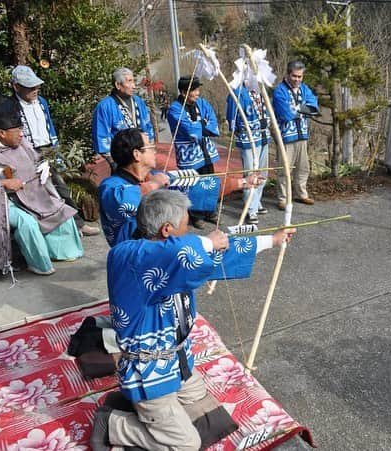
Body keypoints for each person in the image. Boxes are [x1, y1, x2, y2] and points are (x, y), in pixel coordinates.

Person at [90, 189, 295, 450]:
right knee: (186, 444)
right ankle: (114, 424)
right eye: (185, 226)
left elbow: (221, 254)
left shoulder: (175, 256)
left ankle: (136, 408)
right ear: (166, 230)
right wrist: (207, 242)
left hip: (178, 362)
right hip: (149, 374)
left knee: (211, 419)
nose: (190, 234)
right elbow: (188, 250)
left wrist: (273, 240)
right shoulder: (128, 257)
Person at [98, 128, 262, 246]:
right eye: (150, 147)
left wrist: (243, 182)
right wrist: (154, 185)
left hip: (162, 254)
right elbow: (123, 201)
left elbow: (198, 185)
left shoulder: (156, 178)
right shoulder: (111, 186)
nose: (154, 151)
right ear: (136, 154)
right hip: (132, 259)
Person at [0, 96, 83, 276]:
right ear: (2, 133)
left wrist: (44, 167)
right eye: (17, 130)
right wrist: (3, 183)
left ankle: (59, 252)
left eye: (21, 129)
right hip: (3, 201)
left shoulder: (22, 143)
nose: (21, 134)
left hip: (32, 192)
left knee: (58, 206)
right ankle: (39, 264)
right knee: (26, 222)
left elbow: (36, 159)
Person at [11, 65, 100, 237]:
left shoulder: (42, 102)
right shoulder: (12, 106)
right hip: (27, 152)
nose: (35, 90)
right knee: (37, 193)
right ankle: (51, 231)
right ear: (17, 87)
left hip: (47, 149)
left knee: (60, 187)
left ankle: (77, 224)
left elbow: (48, 126)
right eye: (30, 87)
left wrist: (56, 150)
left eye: (36, 86)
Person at [167, 76, 220, 226]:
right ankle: (196, 215)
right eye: (194, 90)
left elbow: (212, 121)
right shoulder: (175, 109)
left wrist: (200, 125)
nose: (198, 93)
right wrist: (202, 124)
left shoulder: (202, 103)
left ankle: (211, 211)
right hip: (189, 154)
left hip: (205, 150)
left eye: (197, 89)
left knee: (210, 180)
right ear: (184, 92)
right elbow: (189, 128)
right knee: (193, 183)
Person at [271, 60, 319, 210]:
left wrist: (297, 108)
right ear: (288, 74)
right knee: (284, 169)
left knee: (303, 167)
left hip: (302, 134)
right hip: (286, 136)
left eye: (300, 76)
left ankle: (301, 194)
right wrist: (301, 109)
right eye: (294, 76)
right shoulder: (280, 91)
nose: (297, 79)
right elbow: (285, 113)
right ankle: (283, 198)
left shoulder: (304, 89)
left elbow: (313, 106)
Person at [91, 68, 155, 169]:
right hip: (121, 161)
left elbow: (148, 127)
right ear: (118, 85)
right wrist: (113, 163)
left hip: (142, 158)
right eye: (129, 81)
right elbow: (101, 137)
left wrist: (150, 150)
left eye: (133, 81)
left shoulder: (139, 101)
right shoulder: (104, 106)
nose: (134, 86)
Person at [226, 83, 270, 225]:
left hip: (263, 135)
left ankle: (257, 202)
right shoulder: (238, 91)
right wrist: (234, 129)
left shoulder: (260, 88)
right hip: (248, 136)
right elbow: (231, 114)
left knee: (263, 171)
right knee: (250, 172)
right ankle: (250, 209)